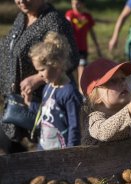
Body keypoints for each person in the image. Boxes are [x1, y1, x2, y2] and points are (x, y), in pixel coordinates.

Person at [0, 0, 79, 152]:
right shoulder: (22, 17)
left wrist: (37, 79)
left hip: (47, 99)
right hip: (21, 100)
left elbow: (71, 58)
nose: (21, 1)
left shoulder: (53, 21)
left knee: (47, 147)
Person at [24, 32, 82, 150]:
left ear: (57, 65)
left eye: (42, 70)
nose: (39, 75)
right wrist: (30, 103)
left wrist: (71, 152)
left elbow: (74, 126)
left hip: (62, 151)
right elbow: (45, 112)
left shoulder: (69, 93)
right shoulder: (48, 87)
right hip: (44, 147)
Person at [65, 0, 102, 90]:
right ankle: (74, 91)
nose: (75, 5)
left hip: (83, 49)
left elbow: (92, 32)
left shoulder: (87, 16)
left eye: (77, 3)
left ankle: (82, 95)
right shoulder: (70, 14)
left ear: (82, 4)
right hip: (72, 48)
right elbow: (67, 27)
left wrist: (97, 46)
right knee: (73, 73)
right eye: (73, 3)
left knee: (81, 71)